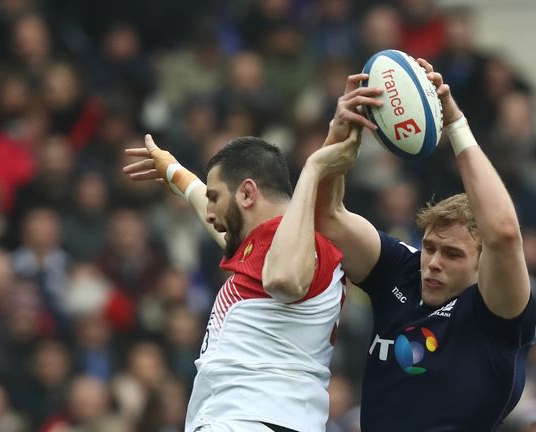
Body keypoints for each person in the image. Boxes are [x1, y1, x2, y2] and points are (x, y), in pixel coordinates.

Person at [306, 58, 536, 430]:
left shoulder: (497, 312)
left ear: (483, 264)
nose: (432, 262)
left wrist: (456, 125)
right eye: (430, 247)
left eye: (452, 254)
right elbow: (327, 220)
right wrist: (339, 133)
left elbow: (504, 233)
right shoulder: (402, 272)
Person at [123, 130, 361, 431]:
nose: (209, 213)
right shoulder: (265, 247)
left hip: (251, 421)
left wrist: (313, 171)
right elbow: (224, 231)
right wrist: (175, 172)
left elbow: (285, 281)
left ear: (247, 193)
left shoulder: (295, 250)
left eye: (216, 198)